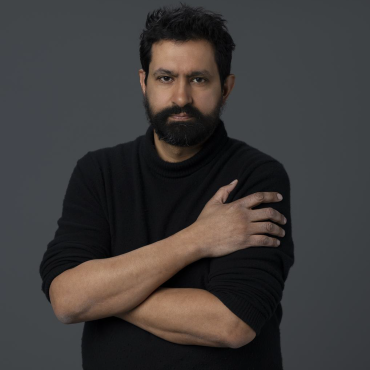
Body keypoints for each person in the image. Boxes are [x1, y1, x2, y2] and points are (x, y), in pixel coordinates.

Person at [39, 3, 295, 369]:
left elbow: (232, 323)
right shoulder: (98, 172)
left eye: (199, 79)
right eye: (165, 78)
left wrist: (104, 296)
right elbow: (66, 299)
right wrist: (198, 239)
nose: (180, 98)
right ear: (143, 83)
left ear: (226, 87)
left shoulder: (257, 177)